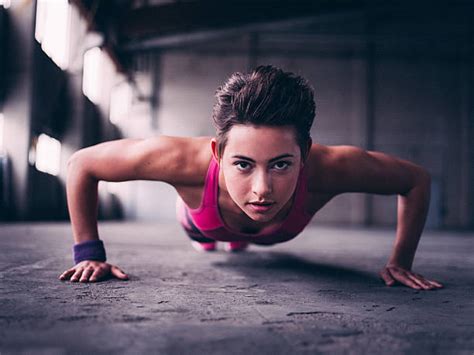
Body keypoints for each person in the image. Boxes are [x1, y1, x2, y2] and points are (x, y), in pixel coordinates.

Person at [59, 65, 443, 291]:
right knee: (206, 236)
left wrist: (401, 261)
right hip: (203, 224)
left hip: (275, 229)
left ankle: (238, 240)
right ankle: (218, 240)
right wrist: (88, 253)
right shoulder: (179, 160)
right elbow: (82, 165)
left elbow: (416, 180)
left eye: (281, 165)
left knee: (245, 230)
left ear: (305, 154)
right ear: (218, 154)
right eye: (242, 164)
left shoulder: (331, 168)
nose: (262, 189)